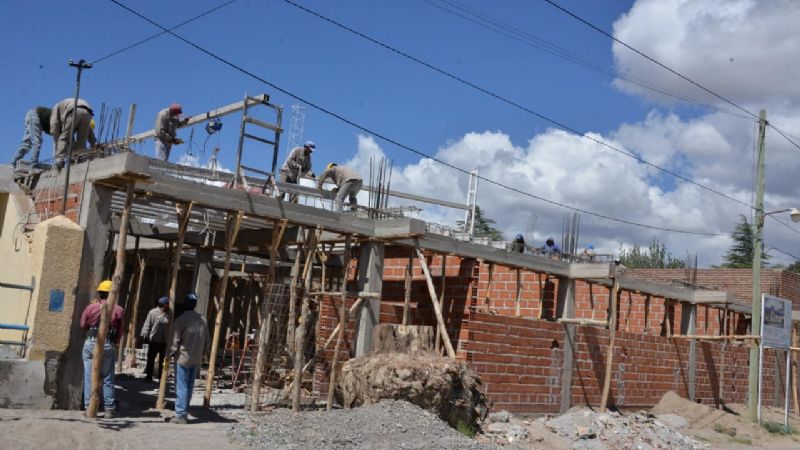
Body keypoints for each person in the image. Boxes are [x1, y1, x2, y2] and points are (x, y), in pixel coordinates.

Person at [79, 280, 125, 419]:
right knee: (108, 378)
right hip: (108, 344)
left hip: (91, 343)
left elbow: (82, 325)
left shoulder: (91, 308)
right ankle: (109, 408)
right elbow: (120, 332)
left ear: (99, 293)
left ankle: (89, 406)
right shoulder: (119, 310)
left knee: (88, 376)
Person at [170, 293, 210, 424]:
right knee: (189, 386)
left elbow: (175, 341)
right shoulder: (203, 320)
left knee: (181, 387)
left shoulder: (181, 320)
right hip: (196, 358)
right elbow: (207, 340)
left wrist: (170, 353)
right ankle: (184, 411)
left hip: (183, 358)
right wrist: (204, 354)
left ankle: (181, 415)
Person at [51, 98, 96, 169]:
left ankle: (60, 160)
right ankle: (80, 160)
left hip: (74, 109)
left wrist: (57, 142)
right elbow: (89, 131)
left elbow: (54, 125)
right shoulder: (65, 105)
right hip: (88, 111)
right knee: (81, 142)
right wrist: (93, 144)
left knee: (63, 137)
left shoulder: (55, 108)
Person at [140, 296, 170, 382]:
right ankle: (149, 376)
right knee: (151, 358)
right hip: (154, 339)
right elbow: (147, 324)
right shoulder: (153, 312)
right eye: (167, 304)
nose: (168, 306)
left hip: (164, 341)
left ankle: (162, 377)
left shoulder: (169, 314)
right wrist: (145, 335)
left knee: (163, 360)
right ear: (164, 305)